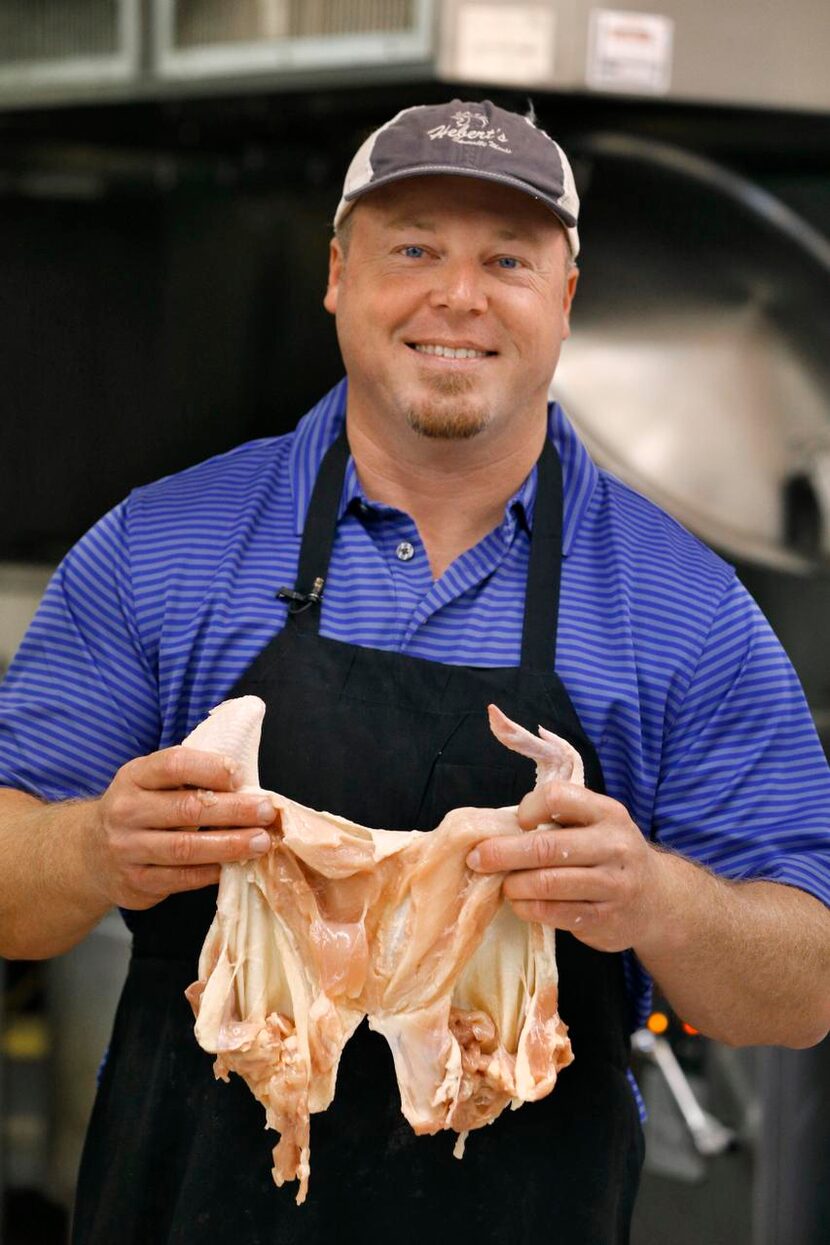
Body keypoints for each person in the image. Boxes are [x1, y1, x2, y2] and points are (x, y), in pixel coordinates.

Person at [0, 99, 828, 1245]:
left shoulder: (682, 612)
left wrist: (651, 896)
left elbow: (802, 991)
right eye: (413, 249)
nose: (458, 295)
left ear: (564, 301)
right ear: (337, 275)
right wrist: (94, 845)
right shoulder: (162, 547)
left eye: (506, 259)